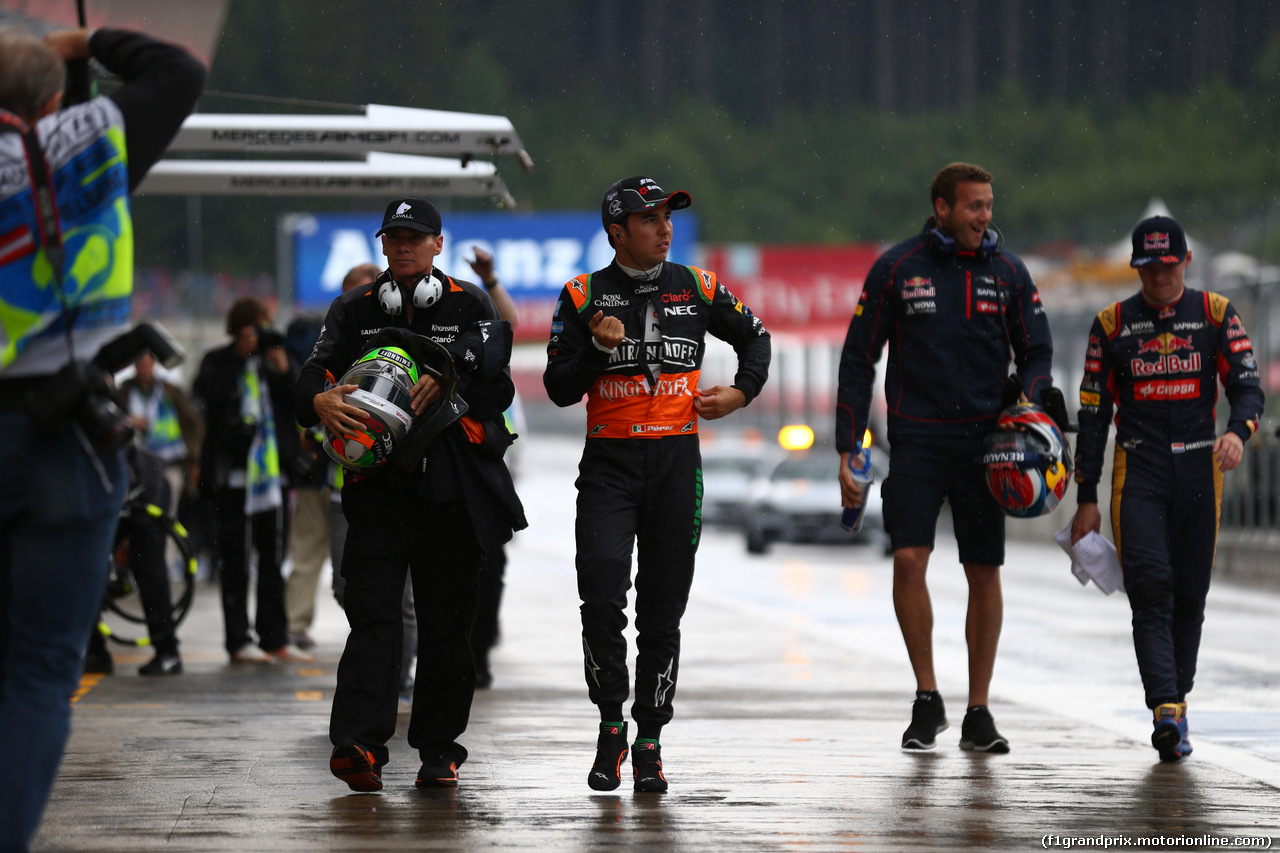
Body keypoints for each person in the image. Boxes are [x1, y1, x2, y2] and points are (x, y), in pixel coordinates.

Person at [0, 25, 203, 851]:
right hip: (72, 434)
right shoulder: (95, 145)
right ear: (55, 102)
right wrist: (84, 41)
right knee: (43, 670)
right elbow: (178, 68)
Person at [544, 175, 771, 793]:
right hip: (610, 466)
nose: (665, 228)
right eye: (651, 219)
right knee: (601, 594)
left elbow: (756, 337)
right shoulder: (582, 293)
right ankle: (610, 722)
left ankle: (650, 739)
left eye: (669, 216)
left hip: (676, 464)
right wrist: (593, 349)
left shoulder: (698, 286)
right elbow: (558, 387)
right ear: (618, 232)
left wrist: (740, 392)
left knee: (663, 610)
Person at [298, 197, 525, 791]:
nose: (403, 247)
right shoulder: (352, 308)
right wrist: (319, 400)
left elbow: (497, 383)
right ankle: (359, 747)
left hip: (452, 492)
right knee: (372, 616)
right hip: (377, 489)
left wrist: (449, 371)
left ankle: (439, 750)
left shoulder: (468, 303)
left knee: (448, 625)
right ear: (381, 246)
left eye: (414, 237)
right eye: (393, 237)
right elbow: (309, 377)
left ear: (437, 245)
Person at [836, 162, 1054, 754]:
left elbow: (1037, 349)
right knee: (909, 559)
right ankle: (927, 696)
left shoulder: (1008, 271)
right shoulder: (897, 268)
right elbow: (859, 358)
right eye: (973, 207)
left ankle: (979, 710)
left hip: (989, 444)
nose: (985, 217)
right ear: (942, 208)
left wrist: (1034, 401)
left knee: (983, 570)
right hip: (916, 438)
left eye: (989, 205)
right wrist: (849, 446)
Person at [1069, 215, 1263, 762]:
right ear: (1137, 268)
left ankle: (1178, 699)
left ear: (1185, 263)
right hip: (1141, 471)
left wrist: (1237, 432)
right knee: (1150, 589)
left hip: (1203, 470)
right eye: (1149, 267)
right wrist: (1087, 495)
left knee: (1190, 598)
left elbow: (1249, 388)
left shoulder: (1217, 314)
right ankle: (1165, 710)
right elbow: (1092, 414)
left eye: (1167, 265)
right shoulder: (1109, 325)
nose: (1158, 276)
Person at [194, 298, 312, 665]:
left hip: (271, 475)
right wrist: (239, 358)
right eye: (250, 332)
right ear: (236, 331)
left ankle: (274, 637)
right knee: (236, 560)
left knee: (273, 558)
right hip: (232, 476)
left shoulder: (274, 359)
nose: (256, 339)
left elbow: (301, 402)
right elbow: (206, 396)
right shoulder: (218, 360)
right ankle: (238, 639)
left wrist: (280, 367)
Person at [465, 246, 521, 689]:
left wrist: (491, 280)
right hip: (453, 478)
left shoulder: (495, 360)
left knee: (490, 573)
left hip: (492, 485)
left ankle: (479, 653)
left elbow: (509, 324)